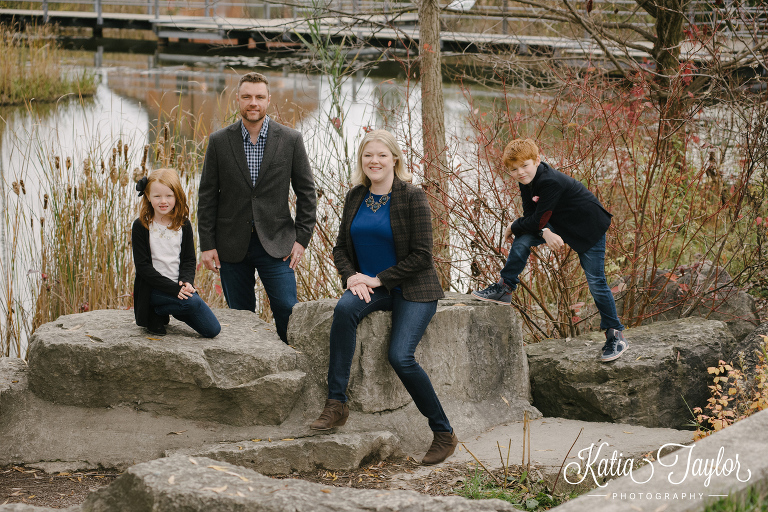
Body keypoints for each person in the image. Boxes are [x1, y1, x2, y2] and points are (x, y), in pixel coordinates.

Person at [309, 130, 458, 466]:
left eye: (381, 155)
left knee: (400, 356)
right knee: (344, 309)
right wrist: (350, 278)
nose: (374, 161)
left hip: (413, 289)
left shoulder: (412, 196)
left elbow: (422, 255)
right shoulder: (356, 196)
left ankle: (443, 431)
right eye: (367, 156)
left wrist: (378, 279)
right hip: (370, 287)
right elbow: (339, 249)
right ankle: (336, 403)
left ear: (395, 159)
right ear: (362, 161)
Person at [471, 138, 629, 362]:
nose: (520, 172)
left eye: (525, 165)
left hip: (588, 226)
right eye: (514, 169)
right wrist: (543, 230)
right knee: (523, 240)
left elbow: (534, 219)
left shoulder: (550, 181)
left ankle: (615, 335)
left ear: (537, 160)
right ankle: (505, 287)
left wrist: (513, 225)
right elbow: (532, 216)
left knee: (596, 282)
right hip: (559, 223)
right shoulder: (526, 181)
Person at [198, 72, 317, 344]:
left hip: (278, 243)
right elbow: (207, 197)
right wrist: (207, 244)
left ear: (268, 100)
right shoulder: (219, 141)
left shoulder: (290, 139)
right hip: (231, 245)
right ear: (237, 99)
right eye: (247, 96)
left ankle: (291, 371)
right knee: (241, 319)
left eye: (259, 97)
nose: (253, 102)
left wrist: (301, 240)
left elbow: (307, 193)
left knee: (288, 311)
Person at [132, 168, 221, 338]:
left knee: (212, 330)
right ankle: (155, 310)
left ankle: (166, 310)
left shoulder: (183, 225)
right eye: (157, 196)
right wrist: (173, 290)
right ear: (148, 197)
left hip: (177, 287)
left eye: (169, 196)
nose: (163, 201)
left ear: (177, 196)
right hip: (154, 289)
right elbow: (143, 268)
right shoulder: (141, 226)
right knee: (192, 303)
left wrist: (187, 282)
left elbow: (188, 260)